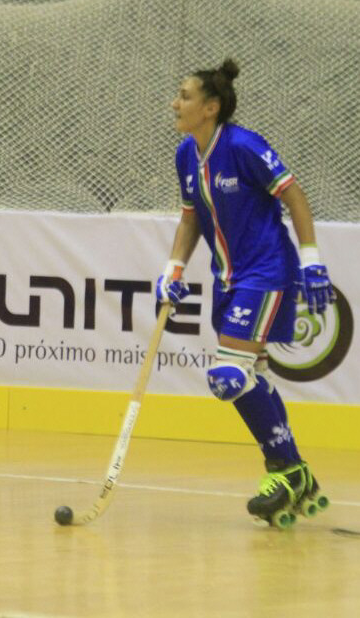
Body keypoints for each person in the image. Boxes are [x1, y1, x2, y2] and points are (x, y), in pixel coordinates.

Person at [159, 59, 333, 529]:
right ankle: (294, 472)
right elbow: (191, 217)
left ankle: (286, 469)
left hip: (267, 271)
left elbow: (294, 195)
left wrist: (311, 258)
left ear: (211, 107)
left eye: (185, 96)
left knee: (227, 376)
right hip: (229, 279)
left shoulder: (244, 146)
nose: (175, 103)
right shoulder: (185, 154)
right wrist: (173, 268)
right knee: (252, 375)